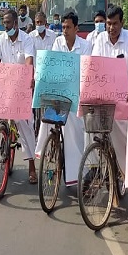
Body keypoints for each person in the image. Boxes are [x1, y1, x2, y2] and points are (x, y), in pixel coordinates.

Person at [91, 6, 128, 215]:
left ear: (121, 23)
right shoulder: (100, 41)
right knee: (92, 132)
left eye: (114, 23)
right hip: (103, 100)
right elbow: (94, 66)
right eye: (108, 24)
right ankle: (97, 170)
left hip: (124, 102)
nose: (111, 27)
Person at [34, 12, 91, 186]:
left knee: (74, 131)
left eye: (68, 27)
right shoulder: (58, 42)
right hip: (59, 92)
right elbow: (53, 65)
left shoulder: (86, 46)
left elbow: (86, 71)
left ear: (76, 28)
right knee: (47, 120)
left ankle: (78, 173)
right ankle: (47, 153)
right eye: (63, 27)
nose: (65, 30)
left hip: (76, 93)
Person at [0, 8, 38, 183]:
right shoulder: (1, 39)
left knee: (25, 127)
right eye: (4, 22)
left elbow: (28, 60)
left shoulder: (27, 39)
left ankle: (32, 167)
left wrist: (27, 76)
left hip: (22, 86)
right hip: (5, 85)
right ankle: (1, 144)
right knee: (1, 117)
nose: (6, 25)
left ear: (16, 23)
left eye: (8, 22)